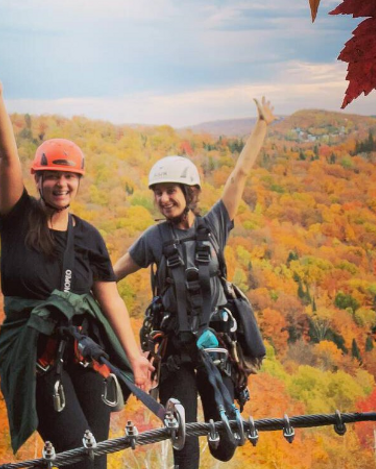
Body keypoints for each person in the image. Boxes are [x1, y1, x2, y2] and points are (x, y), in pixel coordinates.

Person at [0, 60, 152, 469]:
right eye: (53, 176)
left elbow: (111, 301)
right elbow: (6, 158)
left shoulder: (88, 237)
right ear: (38, 179)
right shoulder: (19, 219)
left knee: (97, 460)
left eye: (69, 177)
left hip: (83, 351)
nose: (61, 184)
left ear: (78, 181)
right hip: (34, 352)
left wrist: (135, 355)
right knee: (78, 458)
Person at [112, 97, 275, 469]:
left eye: (171, 191)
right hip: (175, 356)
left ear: (190, 194)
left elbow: (240, 176)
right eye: (158, 192)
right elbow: (110, 276)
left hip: (215, 348)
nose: (164, 198)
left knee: (225, 445)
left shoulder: (214, 224)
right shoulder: (154, 239)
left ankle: (224, 431)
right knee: (185, 449)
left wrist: (262, 124)